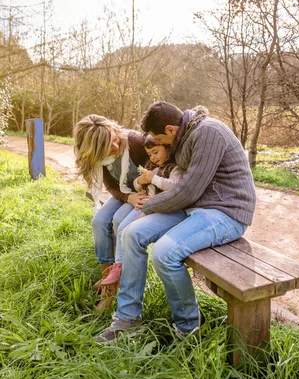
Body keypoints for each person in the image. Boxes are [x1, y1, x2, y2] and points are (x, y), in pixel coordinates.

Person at [96, 102, 256, 343]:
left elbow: (188, 191)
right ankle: (127, 319)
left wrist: (147, 207)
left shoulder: (208, 133)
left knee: (164, 253)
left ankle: (189, 326)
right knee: (130, 233)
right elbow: (183, 190)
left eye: (160, 139)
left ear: (171, 129)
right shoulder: (185, 136)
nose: (161, 145)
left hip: (225, 211)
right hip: (195, 208)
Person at [73, 114, 148, 310]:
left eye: (114, 140)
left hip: (145, 195)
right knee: (99, 221)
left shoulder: (134, 143)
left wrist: (135, 197)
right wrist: (128, 197)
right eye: (108, 146)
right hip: (127, 194)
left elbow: (158, 171)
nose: (115, 147)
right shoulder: (101, 158)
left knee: (118, 220)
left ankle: (118, 283)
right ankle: (108, 279)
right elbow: (112, 187)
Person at [100, 135, 181, 286]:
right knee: (119, 222)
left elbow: (174, 187)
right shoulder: (152, 166)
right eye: (150, 154)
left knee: (125, 228)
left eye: (156, 152)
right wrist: (139, 181)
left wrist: (153, 179)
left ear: (167, 148)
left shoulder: (173, 167)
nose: (153, 157)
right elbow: (138, 186)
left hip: (157, 206)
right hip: (146, 202)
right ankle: (118, 265)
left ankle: (119, 266)